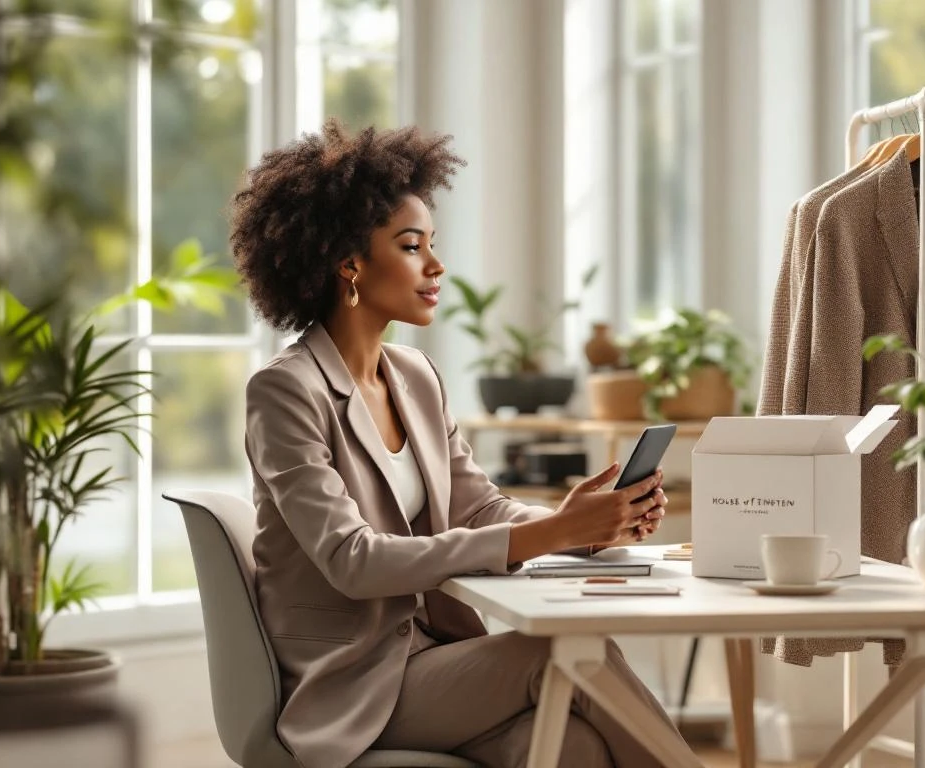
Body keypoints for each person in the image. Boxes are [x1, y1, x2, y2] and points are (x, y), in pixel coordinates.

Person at [230, 119, 691, 768]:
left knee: (570, 747)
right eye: (412, 245)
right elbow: (353, 561)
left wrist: (579, 525)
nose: (436, 265)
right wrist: (552, 535)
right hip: (352, 685)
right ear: (349, 264)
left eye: (432, 243)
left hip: (436, 660)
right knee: (562, 651)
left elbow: (481, 509)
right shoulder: (284, 394)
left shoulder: (414, 376)